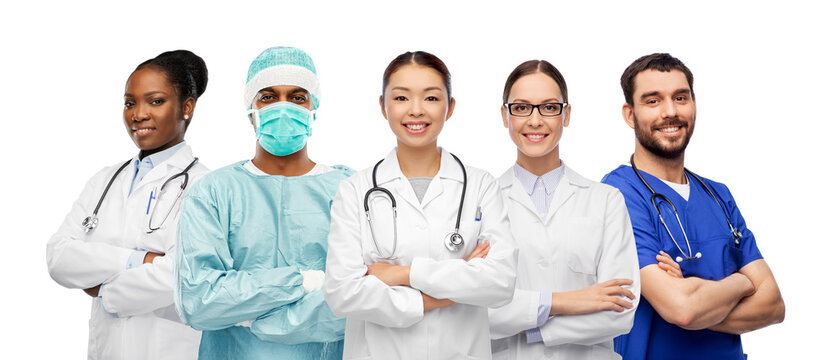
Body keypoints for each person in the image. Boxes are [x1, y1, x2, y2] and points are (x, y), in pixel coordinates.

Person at [324, 51, 518, 359]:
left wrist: (404, 274)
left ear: (449, 107)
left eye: (431, 98)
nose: (416, 111)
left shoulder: (481, 186)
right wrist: (451, 289)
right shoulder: (355, 191)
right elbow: (342, 294)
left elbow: (499, 284)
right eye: (401, 98)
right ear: (383, 106)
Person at [602, 53, 785, 360]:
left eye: (680, 97)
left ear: (694, 104)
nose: (670, 112)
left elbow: (774, 305)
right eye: (653, 101)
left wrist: (696, 297)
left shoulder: (718, 195)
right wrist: (741, 282)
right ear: (629, 114)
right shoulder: (617, 195)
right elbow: (683, 309)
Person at [175, 46, 351, 360]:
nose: (283, 108)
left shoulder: (348, 189)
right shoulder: (214, 192)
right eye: (268, 97)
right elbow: (199, 302)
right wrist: (306, 281)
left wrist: (252, 314)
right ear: (250, 109)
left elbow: (361, 296)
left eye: (297, 97)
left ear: (314, 107)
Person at [46, 50, 210, 359]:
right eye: (130, 102)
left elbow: (181, 276)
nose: (138, 114)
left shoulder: (207, 187)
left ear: (186, 107)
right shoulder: (105, 180)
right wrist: (141, 260)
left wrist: (103, 287)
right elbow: (58, 257)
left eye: (156, 101)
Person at [488, 60, 640, 359]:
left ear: (566, 114)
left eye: (549, 107)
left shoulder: (606, 200)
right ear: (505, 116)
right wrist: (570, 301)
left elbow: (622, 310)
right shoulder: (482, 203)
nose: (535, 120)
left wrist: (533, 327)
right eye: (521, 108)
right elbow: (477, 312)